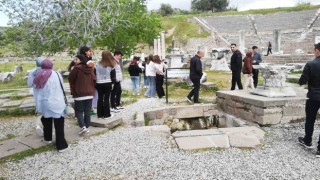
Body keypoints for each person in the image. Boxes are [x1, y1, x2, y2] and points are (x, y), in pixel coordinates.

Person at [33, 59, 68, 152]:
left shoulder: (39, 75)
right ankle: (61, 145)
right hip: (57, 101)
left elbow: (36, 90)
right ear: (51, 65)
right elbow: (62, 87)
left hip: (45, 102)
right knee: (59, 123)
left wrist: (38, 103)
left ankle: (47, 138)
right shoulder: (56, 74)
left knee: (46, 120)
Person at [297, 42, 320, 158]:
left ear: (317, 50)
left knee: (310, 120)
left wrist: (300, 81)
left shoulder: (311, 64)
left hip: (314, 96)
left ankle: (308, 141)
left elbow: (302, 80)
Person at [68, 54, 96, 135]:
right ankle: (87, 126)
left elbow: (70, 79)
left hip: (79, 93)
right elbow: (94, 79)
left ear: (81, 60)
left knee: (79, 111)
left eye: (76, 59)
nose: (75, 61)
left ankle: (83, 127)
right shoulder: (90, 69)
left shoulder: (76, 68)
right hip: (89, 92)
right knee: (87, 110)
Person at [95, 50, 117, 119]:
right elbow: (113, 77)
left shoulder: (97, 64)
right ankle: (107, 115)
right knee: (106, 99)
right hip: (107, 83)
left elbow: (94, 73)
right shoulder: (111, 65)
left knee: (100, 98)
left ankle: (100, 114)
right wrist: (113, 84)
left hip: (98, 83)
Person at [27, 57, 45, 136]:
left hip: (37, 92)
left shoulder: (32, 71)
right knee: (47, 111)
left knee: (39, 109)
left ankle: (38, 125)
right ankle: (46, 127)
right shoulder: (47, 71)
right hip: (46, 92)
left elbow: (29, 84)